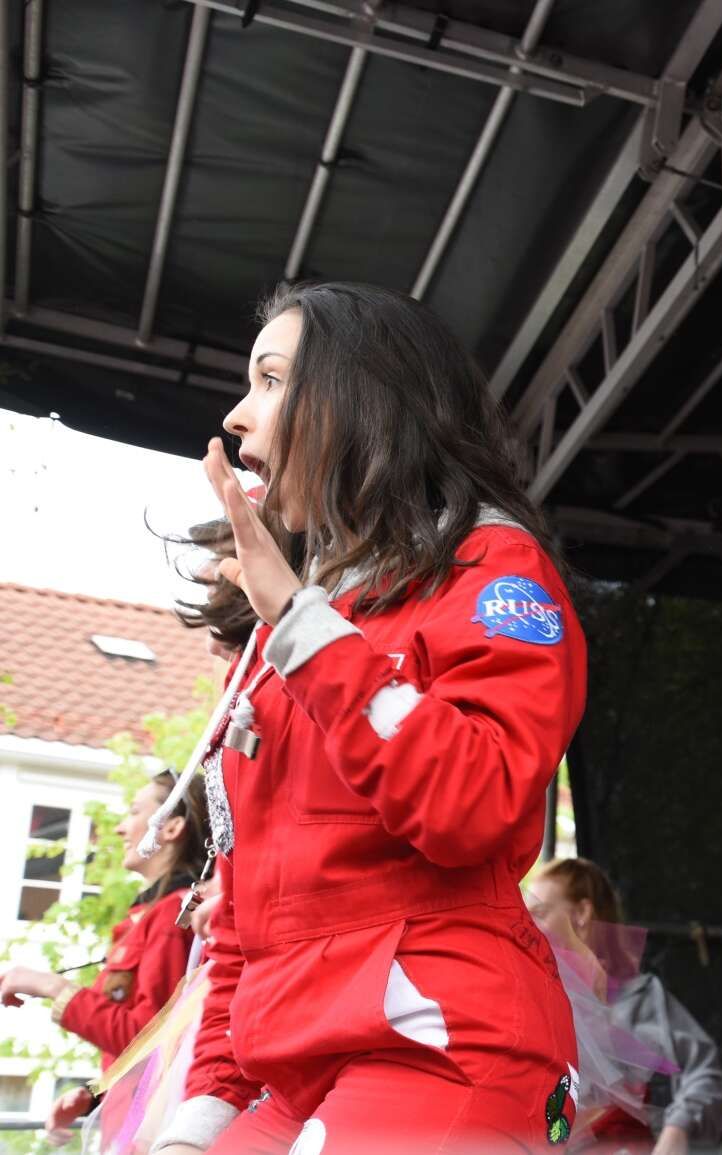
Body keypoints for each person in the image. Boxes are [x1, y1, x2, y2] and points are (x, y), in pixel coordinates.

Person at [147, 281, 587, 1154]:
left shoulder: (492, 568)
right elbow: (246, 920)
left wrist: (302, 627)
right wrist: (199, 1121)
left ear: (362, 399)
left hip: (445, 1044)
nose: (237, 414)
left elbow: (474, 802)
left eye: (272, 379)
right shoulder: (284, 633)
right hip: (295, 1065)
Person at [1, 773, 210, 1141]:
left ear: (172, 828)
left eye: (134, 812)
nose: (120, 828)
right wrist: (93, 1096)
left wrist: (53, 988)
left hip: (145, 1133)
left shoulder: (171, 917)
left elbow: (154, 1044)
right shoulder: (154, 914)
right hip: (133, 1122)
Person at [527, 858, 722, 1155]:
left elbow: (706, 1074)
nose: (529, 926)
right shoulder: (532, 1001)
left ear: (582, 913)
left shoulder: (637, 999)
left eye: (539, 913)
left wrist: (676, 1130)